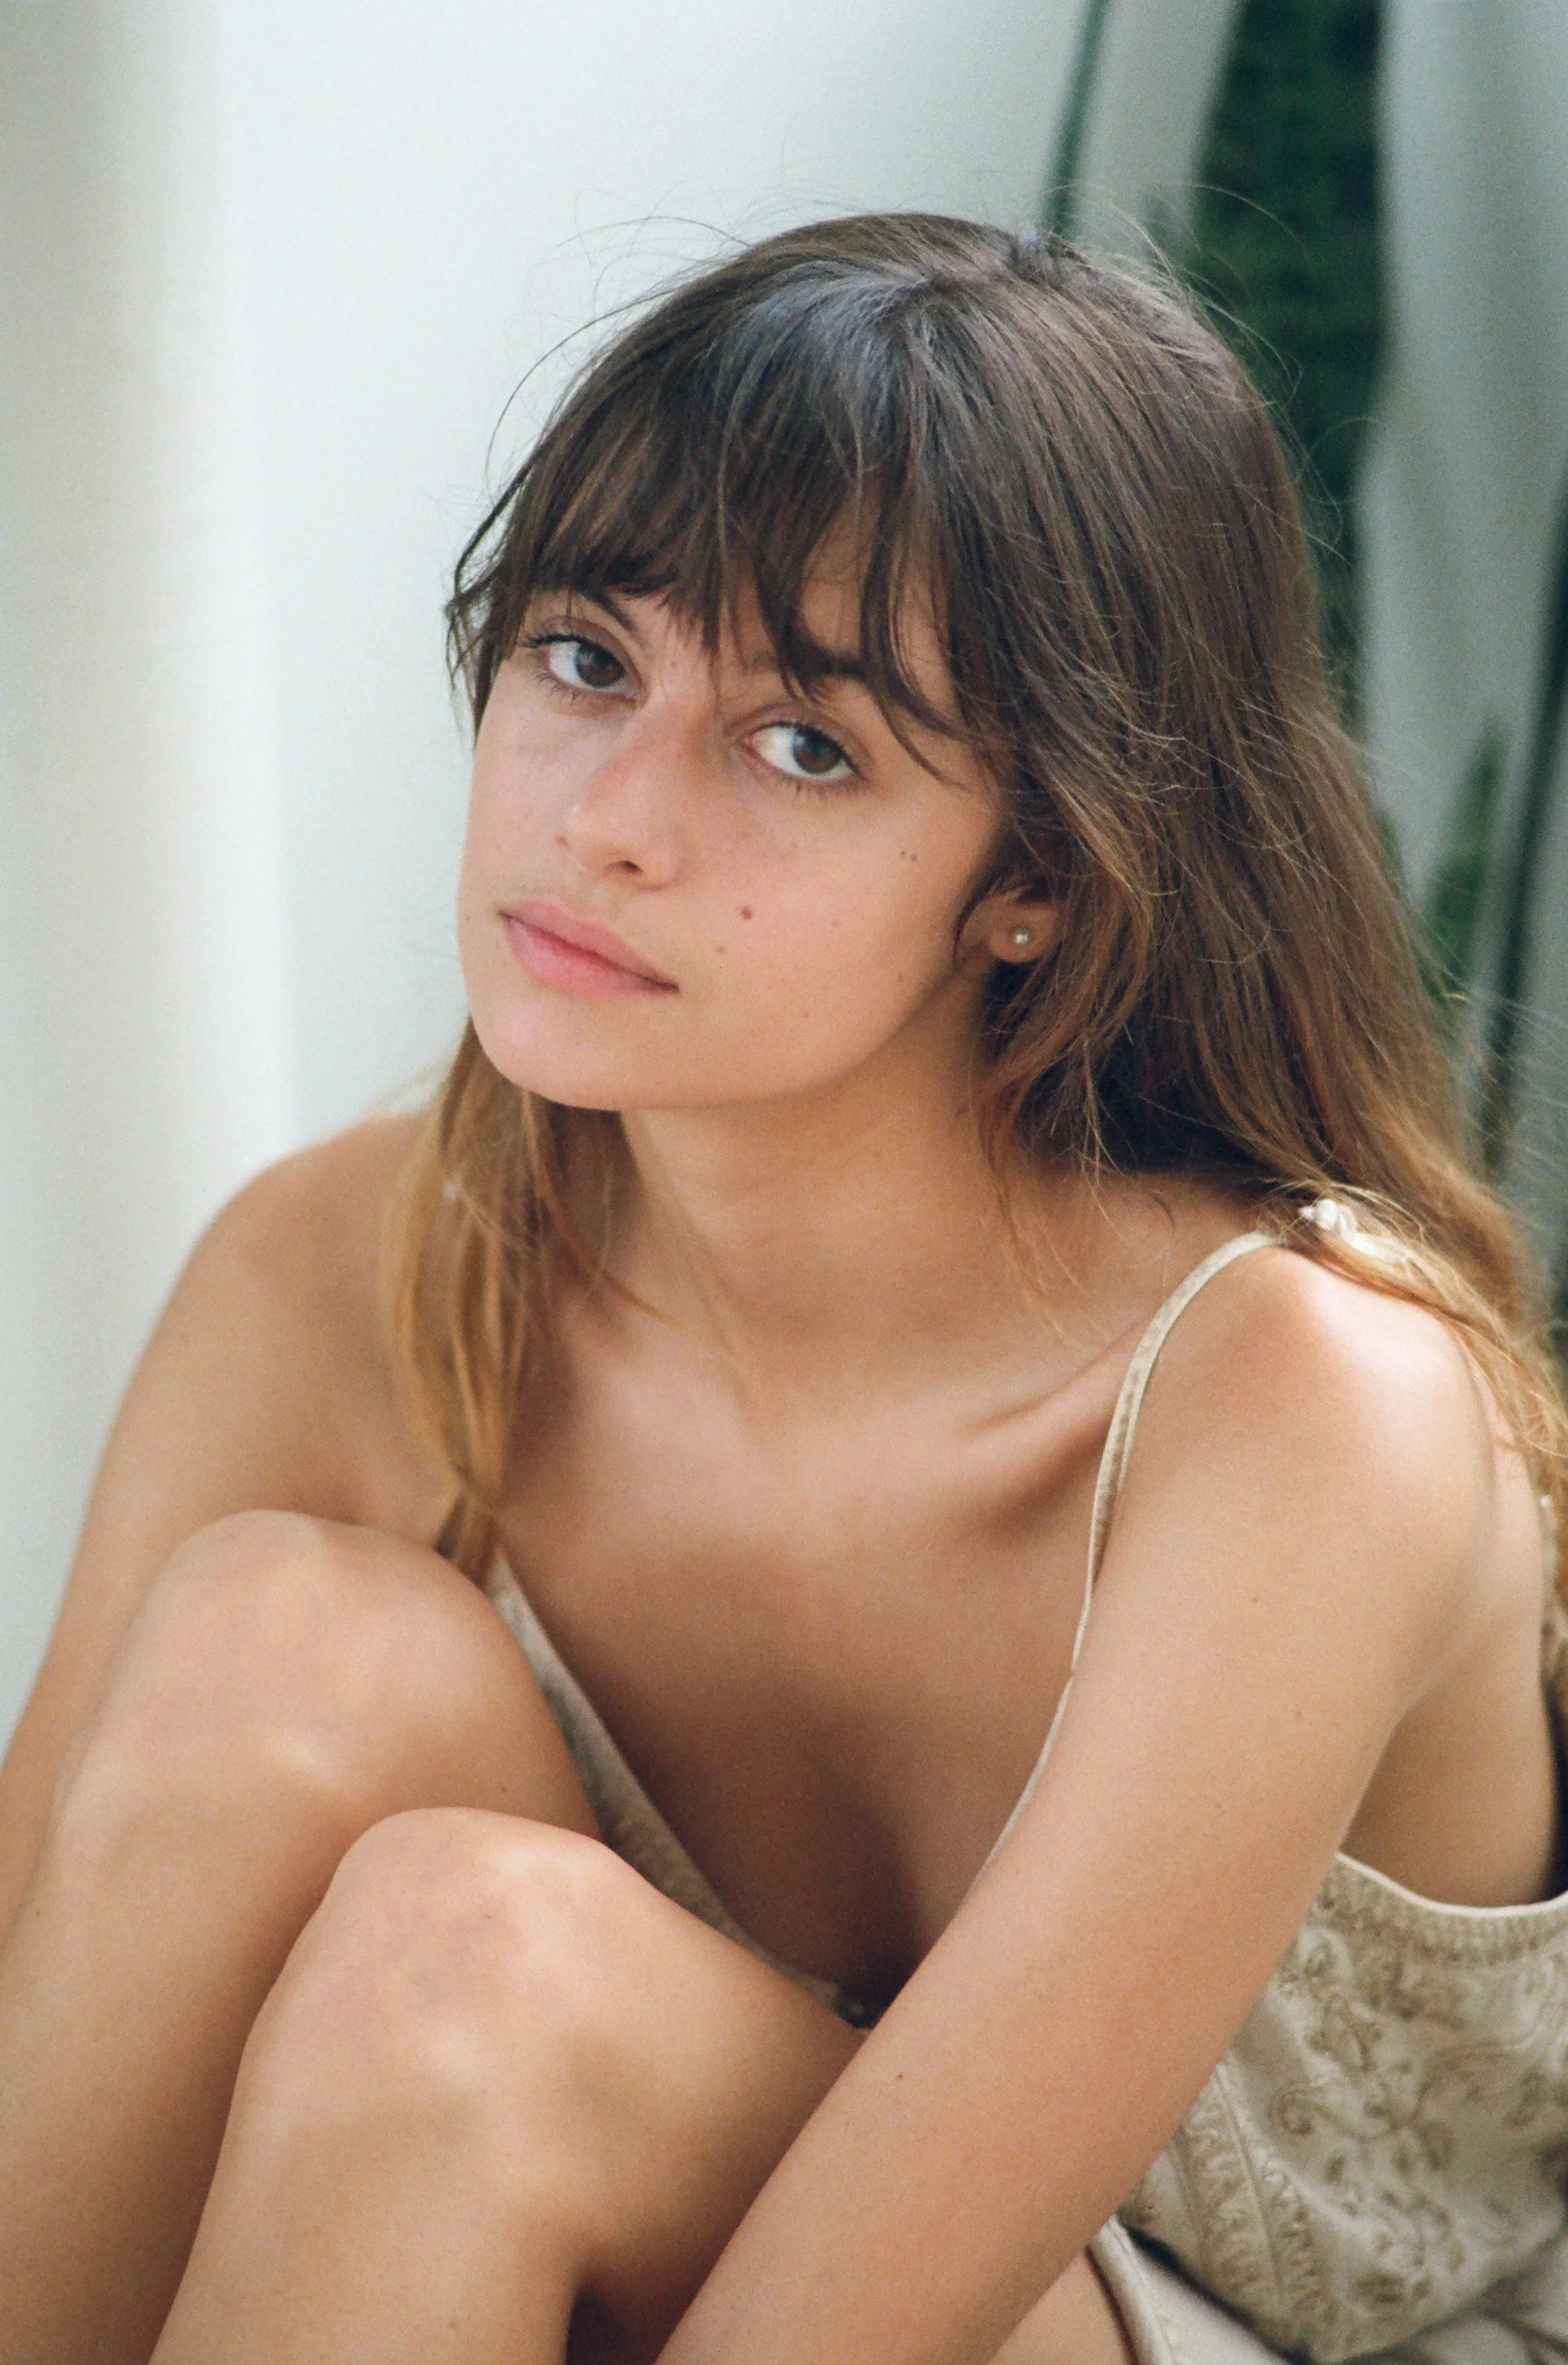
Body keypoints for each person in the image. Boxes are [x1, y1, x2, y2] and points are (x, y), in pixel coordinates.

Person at [2, 212, 1566, 2365]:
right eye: (585, 657)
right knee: (287, 1656)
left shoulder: (1303, 1404)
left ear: (1038, 880)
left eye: (804, 746)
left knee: (477, 1983)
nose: (612, 818)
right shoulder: (344, 1271)